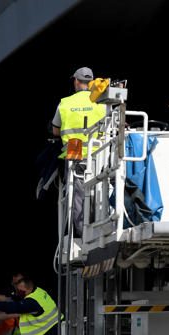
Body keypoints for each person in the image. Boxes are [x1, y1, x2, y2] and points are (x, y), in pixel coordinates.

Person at [50, 67, 108, 236]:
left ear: (76, 81)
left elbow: (55, 131)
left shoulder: (65, 103)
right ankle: (102, 227)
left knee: (78, 196)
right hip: (99, 155)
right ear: (91, 82)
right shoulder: (101, 102)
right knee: (101, 191)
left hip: (75, 155)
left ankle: (81, 233)